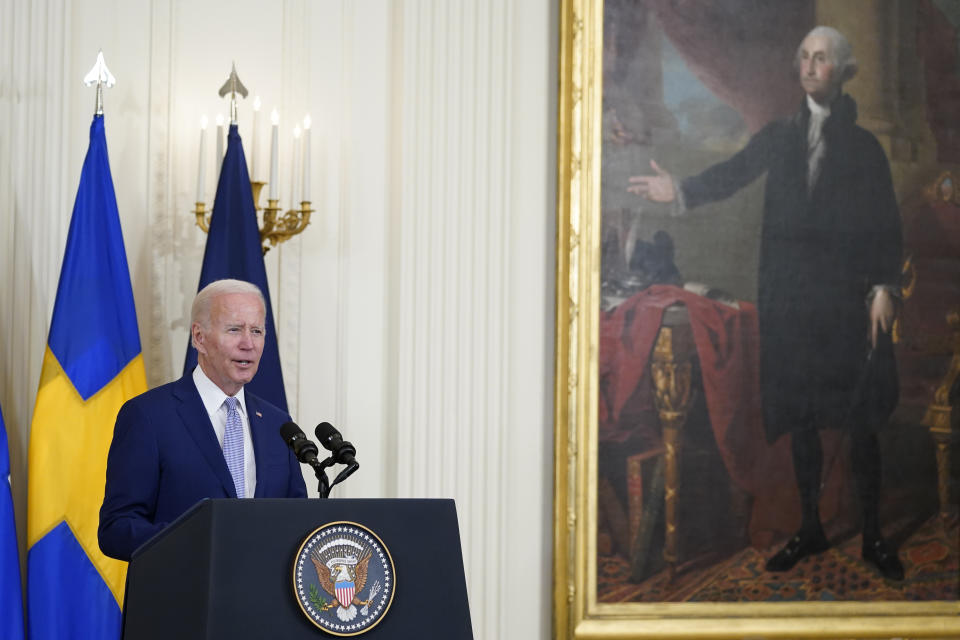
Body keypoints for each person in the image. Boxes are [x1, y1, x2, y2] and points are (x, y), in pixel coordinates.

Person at [628, 26, 904, 580]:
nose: (808, 66)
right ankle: (811, 527)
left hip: (846, 306)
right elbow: (732, 174)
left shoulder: (865, 148)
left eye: (821, 58)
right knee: (801, 418)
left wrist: (882, 289)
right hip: (792, 304)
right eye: (803, 56)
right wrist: (678, 190)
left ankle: (874, 535)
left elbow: (884, 224)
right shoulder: (779, 136)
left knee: (861, 421)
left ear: (844, 71)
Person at [99, 279, 307, 561]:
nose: (248, 344)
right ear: (199, 338)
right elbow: (116, 529)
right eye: (234, 329)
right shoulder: (148, 416)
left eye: (256, 331)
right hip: (183, 599)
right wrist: (200, 540)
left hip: (260, 600)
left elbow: (297, 522)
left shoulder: (278, 424)